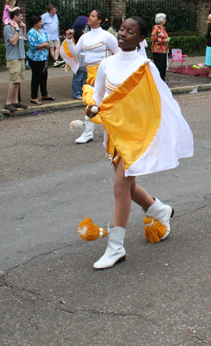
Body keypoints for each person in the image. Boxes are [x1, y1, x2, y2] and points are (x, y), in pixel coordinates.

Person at [78, 16, 193, 269]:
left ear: (142, 38)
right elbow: (98, 97)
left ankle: (116, 248)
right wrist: (92, 108)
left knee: (120, 187)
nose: (123, 34)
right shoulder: (106, 64)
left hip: (136, 139)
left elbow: (157, 103)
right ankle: (158, 210)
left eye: (130, 32)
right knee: (128, 188)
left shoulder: (145, 66)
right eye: (121, 29)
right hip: (114, 136)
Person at [65, 9, 119, 144]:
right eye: (90, 16)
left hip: (103, 72)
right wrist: (69, 39)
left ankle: (110, 130)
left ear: (99, 20)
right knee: (91, 102)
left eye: (93, 16)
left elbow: (118, 53)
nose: (89, 18)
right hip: (90, 73)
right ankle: (89, 133)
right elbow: (74, 52)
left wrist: (110, 68)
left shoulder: (107, 36)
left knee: (101, 102)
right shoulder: (84, 36)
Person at [3, 8, 28, 112]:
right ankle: (8, 102)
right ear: (15, 16)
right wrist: (17, 30)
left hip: (20, 56)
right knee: (13, 80)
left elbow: (24, 38)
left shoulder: (18, 27)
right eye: (20, 16)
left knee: (18, 80)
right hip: (13, 57)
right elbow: (13, 41)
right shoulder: (8, 28)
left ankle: (15, 100)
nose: (22, 18)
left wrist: (23, 28)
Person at [26, 15, 51, 105]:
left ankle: (44, 94)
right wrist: (44, 45)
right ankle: (34, 97)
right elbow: (33, 46)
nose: (42, 23)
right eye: (40, 22)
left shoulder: (42, 31)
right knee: (36, 77)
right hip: (35, 58)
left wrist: (44, 44)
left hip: (44, 56)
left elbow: (47, 41)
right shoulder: (31, 32)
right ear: (36, 23)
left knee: (44, 76)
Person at [151, 13, 170, 81]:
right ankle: (158, 81)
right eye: (164, 19)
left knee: (164, 66)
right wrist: (164, 40)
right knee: (159, 66)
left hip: (164, 49)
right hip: (158, 50)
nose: (165, 20)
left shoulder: (162, 28)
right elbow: (154, 39)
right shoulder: (156, 28)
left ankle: (162, 80)